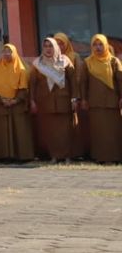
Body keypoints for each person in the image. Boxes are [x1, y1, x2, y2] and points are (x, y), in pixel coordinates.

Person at [30, 37, 77, 163]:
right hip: (45, 102)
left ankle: (67, 156)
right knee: (50, 131)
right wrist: (32, 100)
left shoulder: (65, 61)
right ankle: (54, 156)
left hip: (64, 102)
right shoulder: (37, 63)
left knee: (65, 131)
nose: (48, 49)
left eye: (50, 46)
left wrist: (74, 99)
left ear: (55, 47)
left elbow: (73, 81)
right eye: (45, 46)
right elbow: (32, 84)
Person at [0, 44, 33, 162]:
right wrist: (1, 100)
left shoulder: (21, 69)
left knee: (19, 130)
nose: (6, 54)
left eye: (9, 51)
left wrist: (15, 100)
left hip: (18, 105)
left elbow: (24, 87)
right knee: (1, 130)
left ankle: (22, 156)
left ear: (14, 53)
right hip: (0, 105)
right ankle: (3, 155)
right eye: (4, 51)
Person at [80, 34, 122, 163]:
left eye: (100, 44)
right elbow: (83, 83)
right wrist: (84, 99)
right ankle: (100, 157)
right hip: (95, 104)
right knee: (98, 132)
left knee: (114, 131)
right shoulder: (87, 62)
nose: (98, 47)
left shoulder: (114, 61)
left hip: (112, 103)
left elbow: (120, 81)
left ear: (106, 45)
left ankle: (116, 157)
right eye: (95, 45)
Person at [53, 31, 88, 159]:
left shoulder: (74, 57)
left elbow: (78, 78)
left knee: (74, 125)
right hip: (57, 100)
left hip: (72, 97)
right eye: (56, 44)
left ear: (67, 44)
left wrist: (76, 97)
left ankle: (76, 153)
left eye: (61, 43)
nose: (59, 46)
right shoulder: (50, 58)